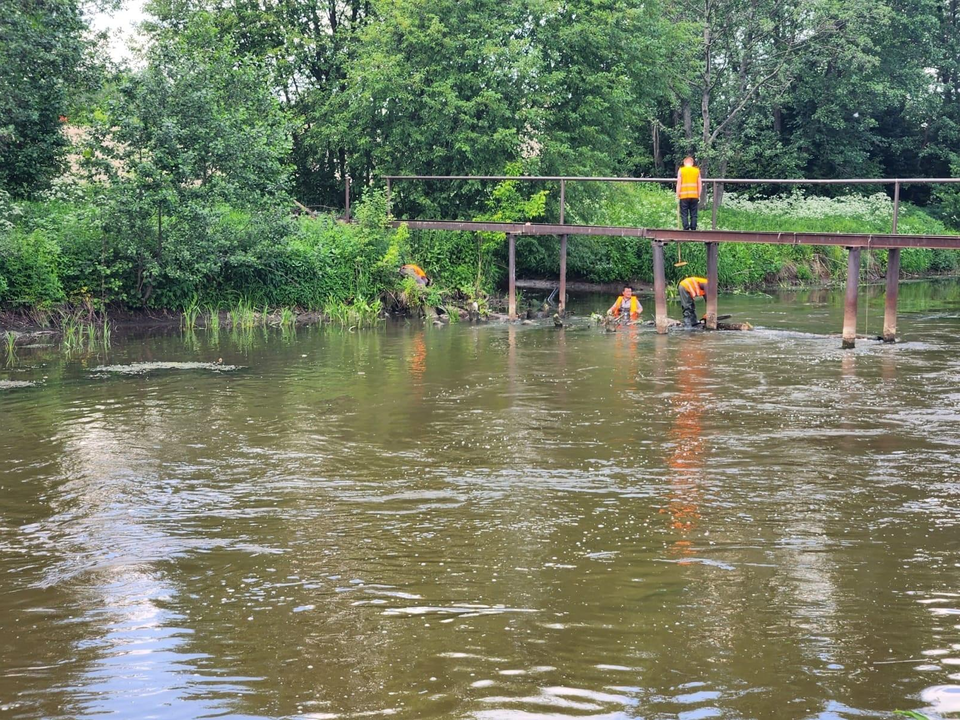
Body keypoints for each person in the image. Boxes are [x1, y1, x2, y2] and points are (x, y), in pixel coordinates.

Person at [676, 156, 702, 231]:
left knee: (684, 213)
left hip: (684, 195)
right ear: (692, 163)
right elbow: (700, 184)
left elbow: (679, 183)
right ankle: (693, 227)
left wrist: (677, 195)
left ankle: (686, 228)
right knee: (694, 213)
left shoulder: (681, 170)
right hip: (694, 195)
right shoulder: (697, 171)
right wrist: (699, 195)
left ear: (684, 163)